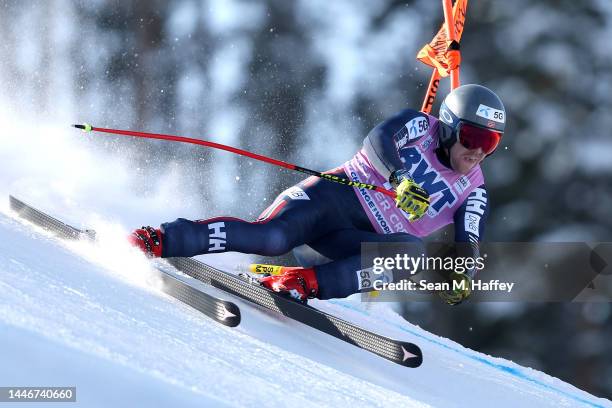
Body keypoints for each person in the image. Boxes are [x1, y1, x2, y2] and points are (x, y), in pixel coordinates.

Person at [130, 84, 505, 305]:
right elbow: (378, 140)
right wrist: (400, 179)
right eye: (473, 138)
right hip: (331, 200)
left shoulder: (473, 191)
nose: (478, 152)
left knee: (410, 253)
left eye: (491, 143)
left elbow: (468, 241)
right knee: (271, 237)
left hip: (352, 242)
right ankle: (162, 238)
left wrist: (462, 275)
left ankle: (303, 283)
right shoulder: (421, 125)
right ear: (450, 127)